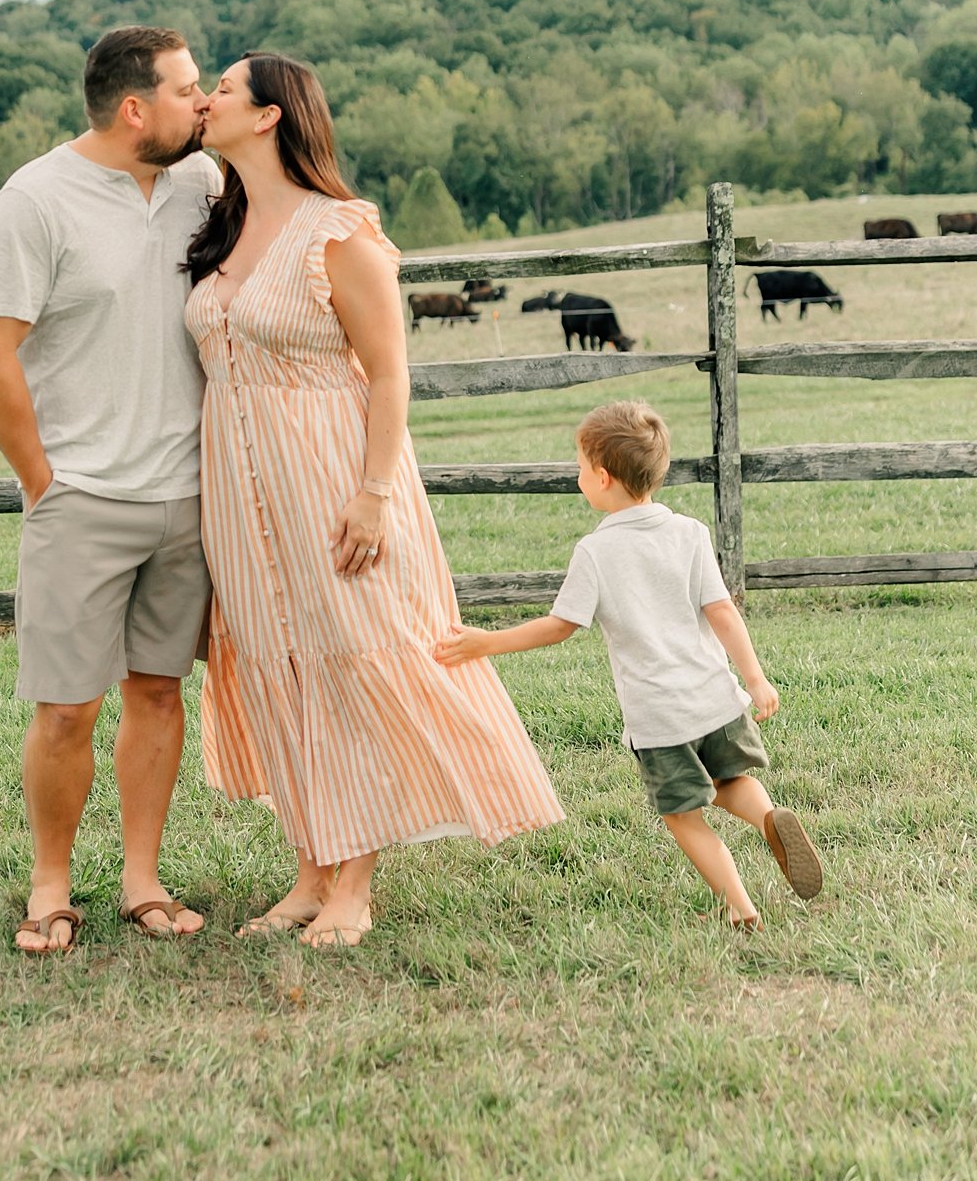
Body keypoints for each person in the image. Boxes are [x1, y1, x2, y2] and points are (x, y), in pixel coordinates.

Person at [185, 51, 564, 949]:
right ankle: (312, 869)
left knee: (355, 657)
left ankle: (355, 883)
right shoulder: (219, 227)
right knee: (279, 664)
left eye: (225, 91)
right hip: (239, 495)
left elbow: (390, 374)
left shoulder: (340, 233)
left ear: (272, 116)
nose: (206, 101)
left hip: (331, 478)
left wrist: (373, 493)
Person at [0, 25, 219, 956]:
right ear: (133, 108)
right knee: (68, 704)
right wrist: (44, 480)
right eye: (189, 89)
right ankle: (50, 885)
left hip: (190, 497)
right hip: (81, 497)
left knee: (159, 693)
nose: (204, 102)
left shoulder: (203, 182)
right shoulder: (36, 200)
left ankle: (142, 880)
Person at [437, 399, 824, 929]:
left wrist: (486, 643)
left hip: (659, 717)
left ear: (601, 477)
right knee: (731, 780)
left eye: (578, 468)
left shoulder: (595, 553)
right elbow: (723, 611)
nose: (578, 477)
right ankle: (767, 817)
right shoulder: (689, 532)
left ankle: (741, 906)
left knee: (684, 815)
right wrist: (754, 679)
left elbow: (561, 626)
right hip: (715, 696)